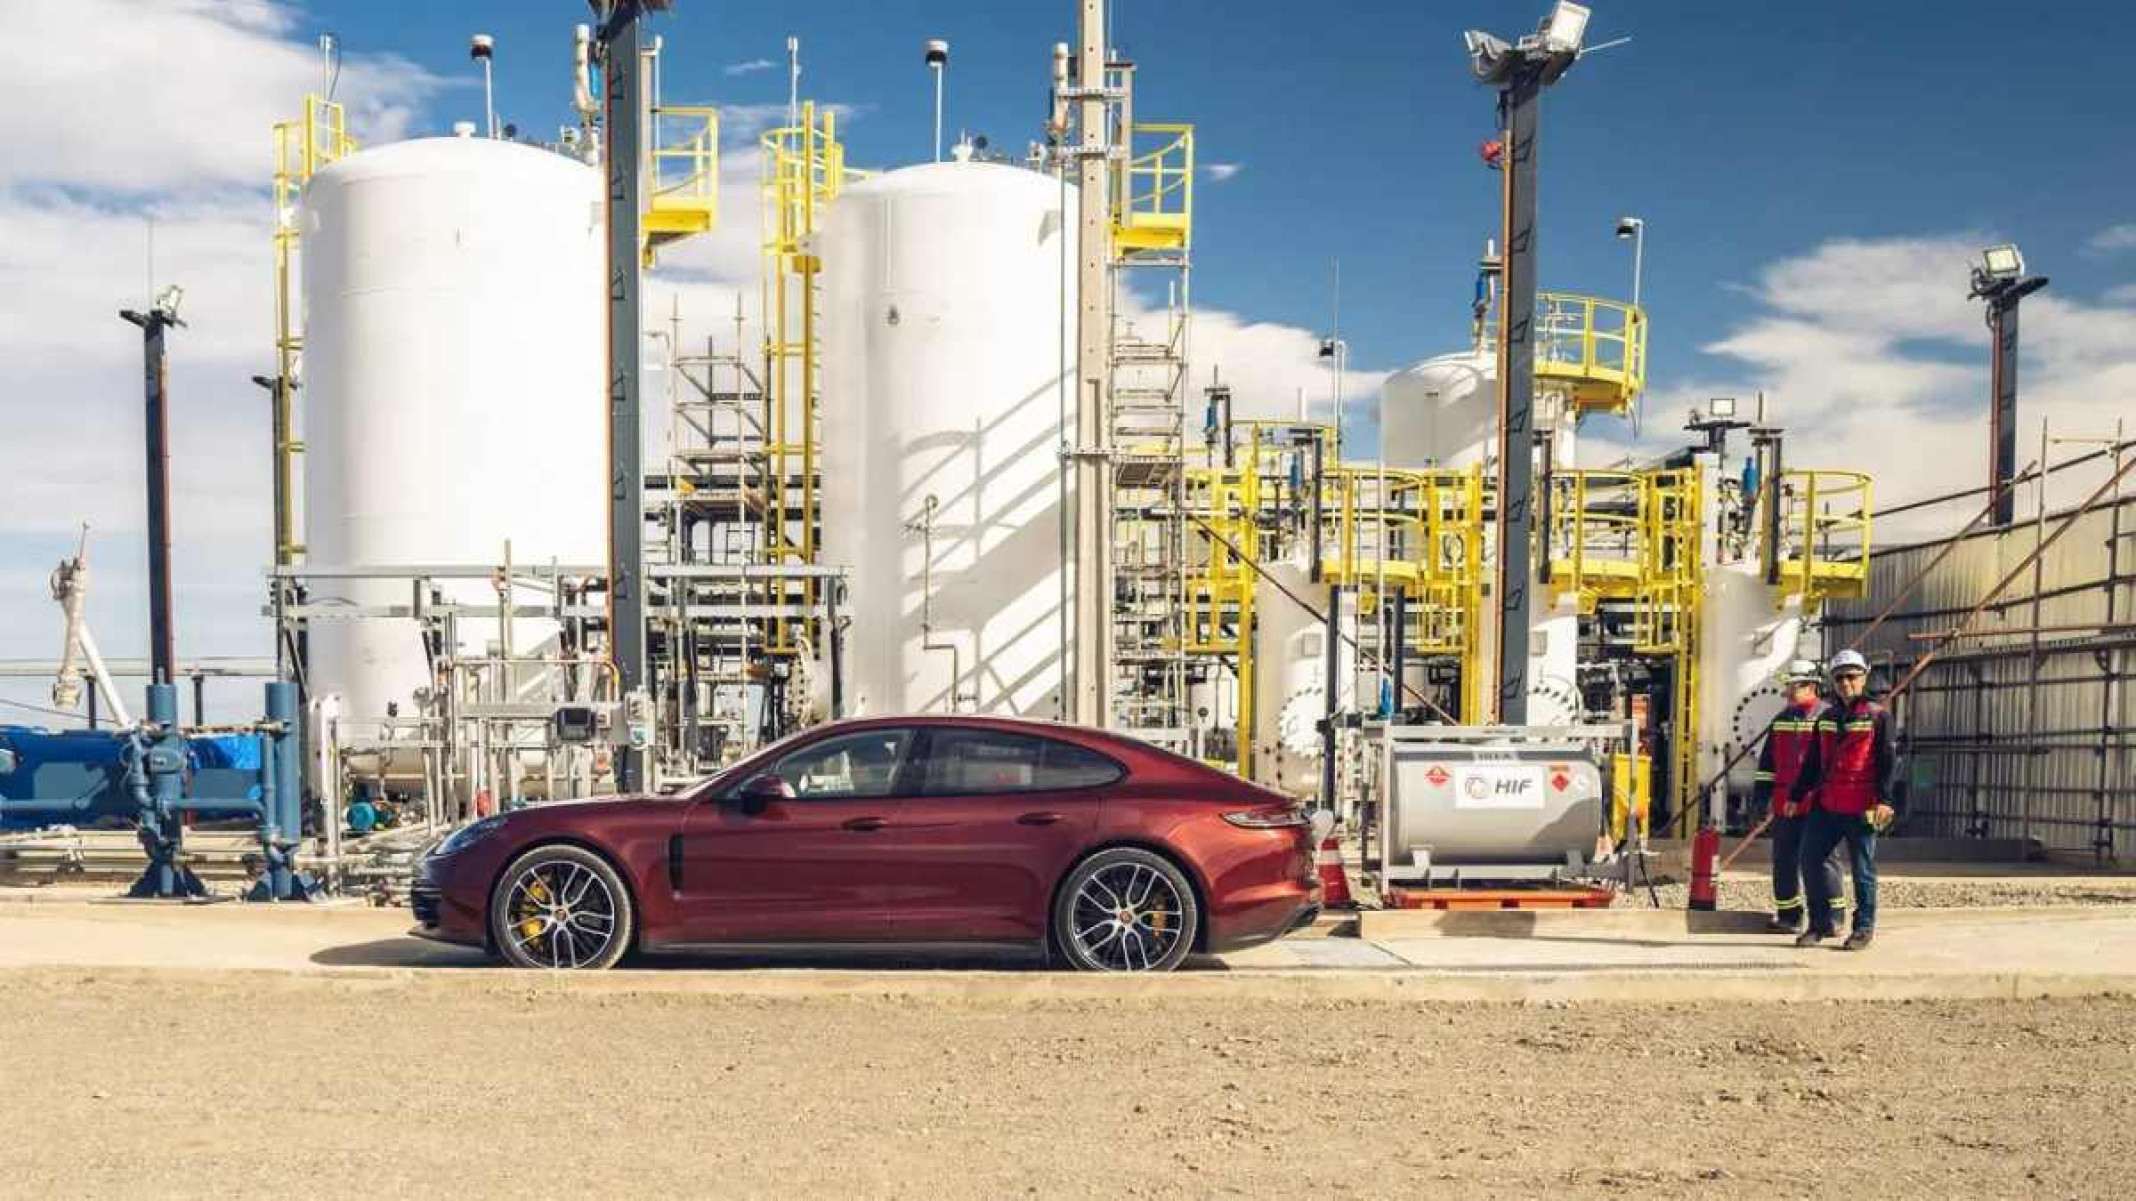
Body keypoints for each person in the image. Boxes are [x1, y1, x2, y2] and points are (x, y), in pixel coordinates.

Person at [1797, 649, 1899, 950]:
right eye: (1840, 677)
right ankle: (1819, 924)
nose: (1845, 683)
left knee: (1862, 870)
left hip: (1862, 805)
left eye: (1852, 676)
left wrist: (1885, 800)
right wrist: (1796, 794)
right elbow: (1813, 762)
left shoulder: (1878, 716)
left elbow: (1888, 760)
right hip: (1827, 804)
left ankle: (1863, 928)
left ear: (1864, 676)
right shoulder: (1826, 718)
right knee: (1810, 859)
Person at [1753, 659, 1839, 934]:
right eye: (1787, 686)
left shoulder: (1830, 717)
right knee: (1784, 858)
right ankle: (1789, 915)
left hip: (1819, 804)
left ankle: (1834, 915)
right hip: (1785, 805)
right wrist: (1760, 799)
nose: (1787, 692)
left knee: (1824, 859)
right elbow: (1767, 765)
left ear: (1812, 686)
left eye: (1794, 686)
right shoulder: (1782, 720)